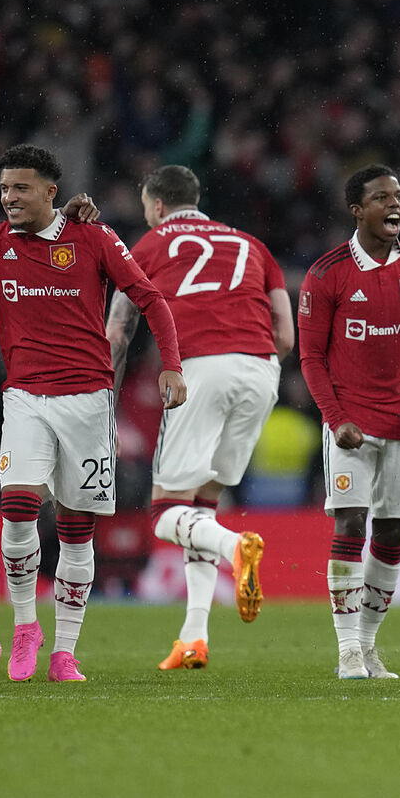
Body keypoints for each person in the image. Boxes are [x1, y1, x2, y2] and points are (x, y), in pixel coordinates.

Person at [0, 144, 186, 682]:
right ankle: (26, 627)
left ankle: (65, 651)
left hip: (89, 402)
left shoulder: (92, 237)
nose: (9, 198)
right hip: (24, 396)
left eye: (21, 188)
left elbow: (149, 297)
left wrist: (171, 365)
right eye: (4, 189)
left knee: (77, 531)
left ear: (51, 193)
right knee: (18, 510)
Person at [105, 164, 290, 670]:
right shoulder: (253, 246)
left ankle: (237, 548)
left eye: (147, 209)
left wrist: (103, 402)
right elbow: (286, 334)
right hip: (260, 369)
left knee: (165, 514)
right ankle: (194, 637)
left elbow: (118, 331)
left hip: (200, 368)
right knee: (200, 510)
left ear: (158, 206)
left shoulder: (148, 245)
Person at [298, 164, 400, 680]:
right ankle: (346, 653)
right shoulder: (326, 273)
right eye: (381, 197)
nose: (394, 204)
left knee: (391, 532)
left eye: (399, 195)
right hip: (351, 427)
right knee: (351, 523)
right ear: (357, 211)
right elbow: (311, 358)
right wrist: (335, 418)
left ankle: (368, 645)